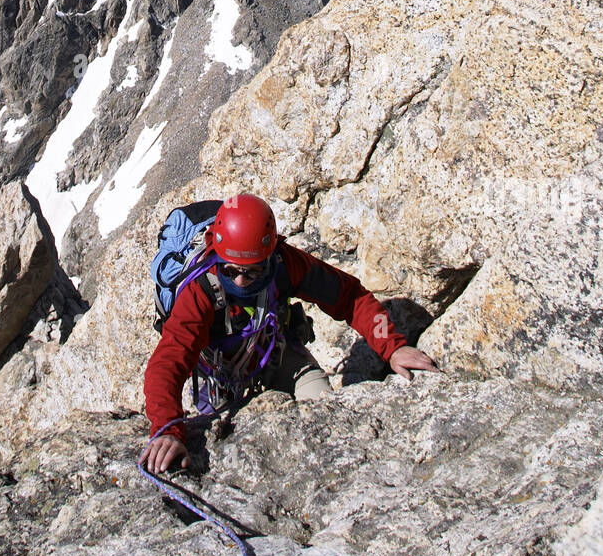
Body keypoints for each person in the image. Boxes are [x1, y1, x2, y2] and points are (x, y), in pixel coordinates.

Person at [140, 193, 439, 473]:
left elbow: (349, 297)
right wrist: (167, 428)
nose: (242, 281)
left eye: (252, 271)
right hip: (219, 374)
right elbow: (168, 361)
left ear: (269, 256)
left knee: (326, 417)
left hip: (274, 350)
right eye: (231, 271)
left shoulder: (286, 263)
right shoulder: (200, 290)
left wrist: (393, 348)